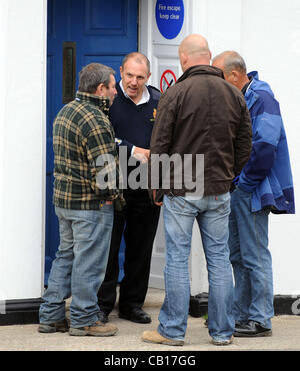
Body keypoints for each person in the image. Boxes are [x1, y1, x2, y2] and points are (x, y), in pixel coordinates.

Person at [142, 34, 252, 346]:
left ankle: (172, 332)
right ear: (209, 55)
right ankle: (221, 333)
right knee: (219, 259)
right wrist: (229, 176)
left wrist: (158, 187)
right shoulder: (234, 94)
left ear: (185, 59)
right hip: (218, 188)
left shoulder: (175, 93)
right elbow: (246, 144)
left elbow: (159, 144)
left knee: (177, 258)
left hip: (182, 187)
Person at [212, 51, 295, 337]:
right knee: (238, 254)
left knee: (255, 255)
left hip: (252, 190)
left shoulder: (262, 98)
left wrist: (244, 183)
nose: (215, 82)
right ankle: (241, 315)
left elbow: (265, 147)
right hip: (238, 189)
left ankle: (260, 319)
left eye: (218, 75)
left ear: (234, 75)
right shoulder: (240, 98)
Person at [39, 63, 123, 337]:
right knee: (89, 263)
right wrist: (114, 198)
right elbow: (105, 171)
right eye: (112, 86)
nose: (115, 91)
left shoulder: (65, 111)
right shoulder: (97, 120)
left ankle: (51, 316)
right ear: (100, 89)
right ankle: (84, 318)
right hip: (91, 205)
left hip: (64, 202)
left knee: (65, 257)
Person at [97, 52, 161, 324]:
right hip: (112, 186)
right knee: (107, 249)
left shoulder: (159, 101)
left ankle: (132, 304)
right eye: (129, 75)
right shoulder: (107, 99)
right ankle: (102, 305)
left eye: (140, 77)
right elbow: (101, 139)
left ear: (148, 77)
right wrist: (132, 150)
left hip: (146, 187)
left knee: (140, 249)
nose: (133, 82)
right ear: (121, 71)